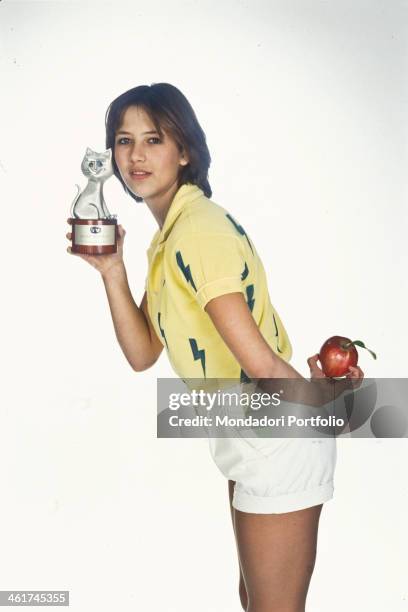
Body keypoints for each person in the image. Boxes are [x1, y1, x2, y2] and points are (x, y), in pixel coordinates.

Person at [66, 83, 364, 612]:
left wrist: (329, 408)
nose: (135, 154)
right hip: (245, 429)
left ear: (185, 152)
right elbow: (143, 355)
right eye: (123, 139)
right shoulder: (172, 235)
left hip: (274, 432)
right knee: (256, 603)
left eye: (154, 139)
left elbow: (260, 363)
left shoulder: (197, 233)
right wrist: (112, 270)